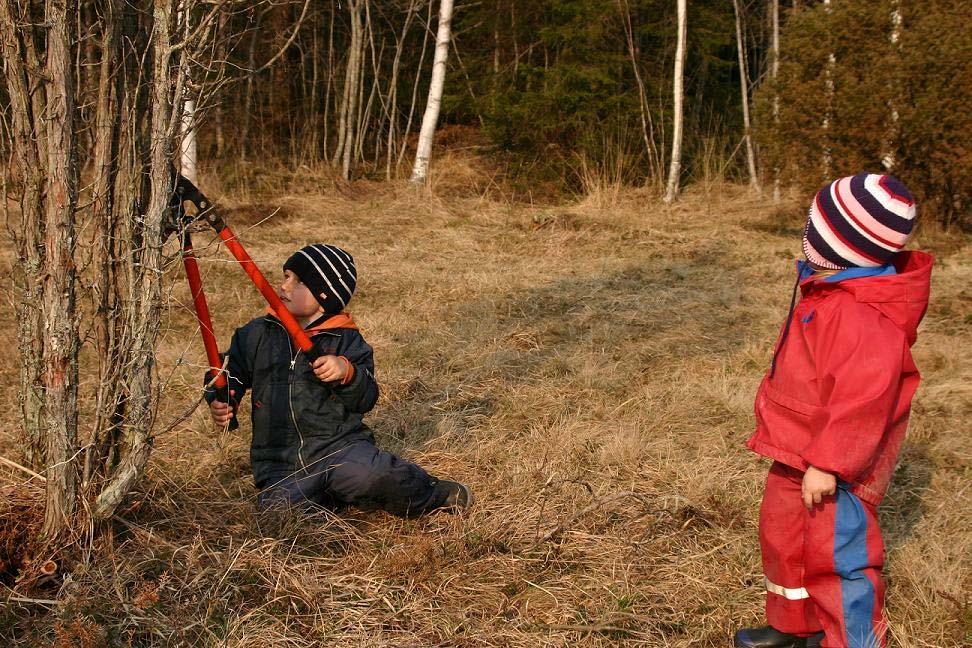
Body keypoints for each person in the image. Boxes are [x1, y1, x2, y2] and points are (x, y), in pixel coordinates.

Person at [734, 174, 932, 648]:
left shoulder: (861, 315)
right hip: (798, 446)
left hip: (832, 464)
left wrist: (828, 463)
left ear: (838, 243)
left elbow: (862, 400)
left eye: (812, 224)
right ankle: (795, 623)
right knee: (786, 539)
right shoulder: (833, 291)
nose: (804, 231)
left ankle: (853, 641)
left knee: (836, 556)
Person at [208, 243, 472, 517]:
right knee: (278, 516)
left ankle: (433, 494)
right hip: (280, 464)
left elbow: (366, 397)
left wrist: (346, 372)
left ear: (324, 296)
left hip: (339, 450)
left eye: (298, 281)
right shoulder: (258, 334)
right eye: (286, 276)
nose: (285, 286)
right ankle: (330, 499)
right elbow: (229, 370)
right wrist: (225, 396)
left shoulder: (345, 339)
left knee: (374, 474)